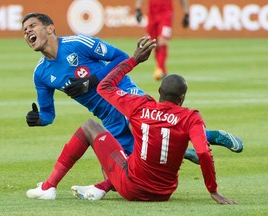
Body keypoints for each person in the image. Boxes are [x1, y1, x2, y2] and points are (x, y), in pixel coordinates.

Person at [22, 13, 242, 200]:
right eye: (24, 30)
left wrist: (93, 80)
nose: (27, 32)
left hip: (125, 96)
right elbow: (48, 114)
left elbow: (121, 57)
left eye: (32, 26)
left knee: (157, 128)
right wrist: (38, 120)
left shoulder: (78, 44)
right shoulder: (40, 75)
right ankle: (183, 151)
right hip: (107, 116)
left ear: (50, 28)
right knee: (122, 170)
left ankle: (211, 135)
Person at [68, 37, 236, 203]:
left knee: (91, 128)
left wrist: (133, 60)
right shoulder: (191, 117)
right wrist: (213, 191)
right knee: (150, 147)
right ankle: (98, 188)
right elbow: (204, 153)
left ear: (159, 90)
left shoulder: (140, 106)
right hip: (163, 194)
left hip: (130, 189)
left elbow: (104, 87)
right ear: (183, 97)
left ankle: (52, 186)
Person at [135, 0, 190, 80]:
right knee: (154, 42)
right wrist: (138, 9)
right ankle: (162, 70)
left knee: (162, 40)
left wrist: (186, 13)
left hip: (166, 14)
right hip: (152, 14)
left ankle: (159, 68)